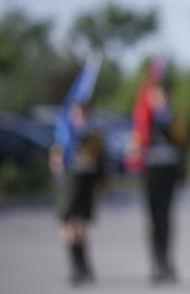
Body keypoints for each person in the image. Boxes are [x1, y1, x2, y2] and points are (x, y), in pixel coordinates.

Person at [127, 60, 186, 284]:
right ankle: (155, 264)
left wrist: (183, 172)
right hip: (151, 172)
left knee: (166, 218)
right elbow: (137, 144)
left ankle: (166, 262)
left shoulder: (174, 119)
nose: (160, 99)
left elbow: (183, 147)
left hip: (168, 172)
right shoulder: (145, 120)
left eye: (163, 95)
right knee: (152, 220)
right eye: (156, 95)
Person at [51, 102, 105, 286]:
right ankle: (75, 268)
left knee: (80, 227)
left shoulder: (93, 138)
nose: (80, 119)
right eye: (76, 115)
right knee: (69, 226)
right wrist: (58, 161)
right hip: (69, 185)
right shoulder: (65, 136)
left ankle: (84, 267)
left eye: (83, 115)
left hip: (85, 184)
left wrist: (101, 183)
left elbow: (101, 163)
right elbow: (56, 162)